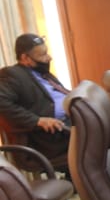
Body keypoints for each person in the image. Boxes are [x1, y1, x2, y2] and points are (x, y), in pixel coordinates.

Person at [0, 33, 71, 163]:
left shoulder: (42, 73)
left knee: (104, 126)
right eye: (42, 55)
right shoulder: (12, 74)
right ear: (25, 58)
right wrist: (37, 120)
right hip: (48, 137)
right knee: (97, 135)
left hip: (68, 124)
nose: (49, 58)